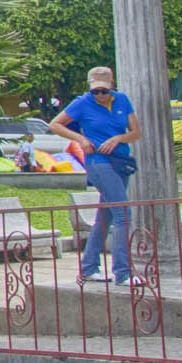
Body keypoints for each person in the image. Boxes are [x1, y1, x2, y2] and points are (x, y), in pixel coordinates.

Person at [47, 66, 142, 287]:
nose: (100, 95)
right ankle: (124, 272)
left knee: (106, 216)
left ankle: (89, 268)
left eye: (104, 91)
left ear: (112, 87)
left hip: (120, 161)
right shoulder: (82, 103)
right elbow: (55, 124)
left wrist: (118, 138)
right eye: (95, 91)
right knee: (123, 214)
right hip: (98, 161)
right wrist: (80, 140)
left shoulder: (122, 101)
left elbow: (136, 133)